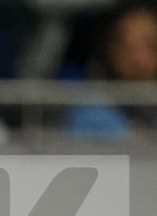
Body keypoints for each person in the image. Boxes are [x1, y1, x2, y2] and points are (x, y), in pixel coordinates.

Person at [63, 1, 157, 139]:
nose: (138, 59)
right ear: (108, 48)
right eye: (127, 47)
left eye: (151, 45)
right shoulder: (89, 115)